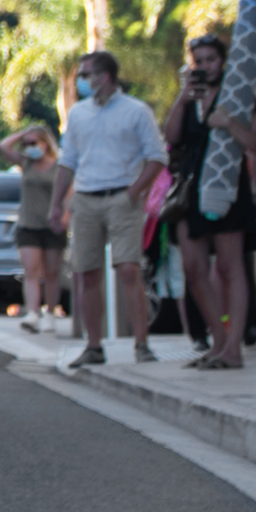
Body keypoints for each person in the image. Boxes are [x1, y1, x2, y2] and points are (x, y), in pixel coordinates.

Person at [48, 49, 169, 367]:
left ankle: (141, 343)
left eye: (88, 74)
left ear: (106, 77)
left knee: (128, 268)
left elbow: (157, 156)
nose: (83, 80)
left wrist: (135, 191)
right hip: (86, 197)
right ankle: (93, 345)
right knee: (86, 273)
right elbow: (67, 160)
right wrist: (57, 202)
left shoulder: (136, 110)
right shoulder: (78, 113)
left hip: (122, 196)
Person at [161, 36, 256, 368]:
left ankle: (233, 348)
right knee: (193, 267)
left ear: (223, 62)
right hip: (191, 188)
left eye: (210, 60)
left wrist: (229, 123)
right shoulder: (189, 96)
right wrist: (182, 98)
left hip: (228, 185)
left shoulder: (239, 95)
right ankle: (217, 340)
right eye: (198, 61)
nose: (203, 67)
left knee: (230, 267)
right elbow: (171, 138)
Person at [0, 122, 66, 332]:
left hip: (52, 224)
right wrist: (22, 134)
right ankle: (32, 313)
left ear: (45, 143)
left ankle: (50, 313)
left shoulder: (58, 166)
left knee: (52, 272)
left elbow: (68, 193)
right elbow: (3, 146)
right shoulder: (26, 163)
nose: (29, 147)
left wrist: (65, 216)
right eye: (26, 144)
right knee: (31, 270)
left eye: (34, 143)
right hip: (28, 224)